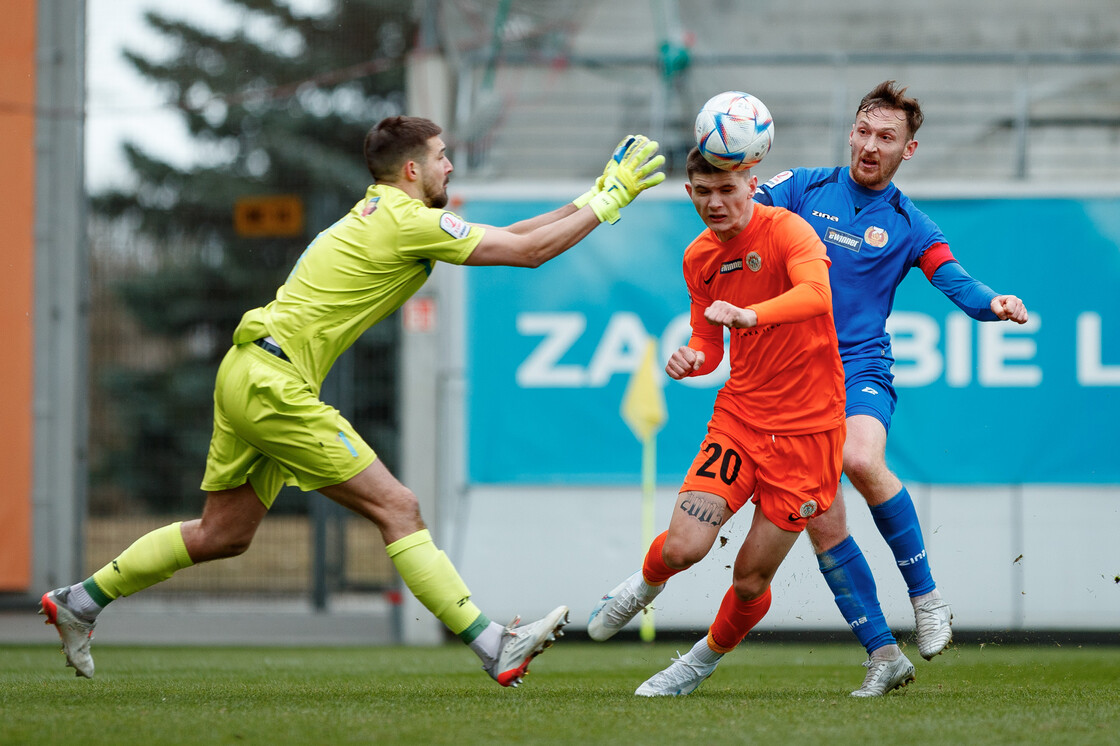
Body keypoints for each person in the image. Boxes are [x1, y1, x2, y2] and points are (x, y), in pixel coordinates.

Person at [40, 116, 665, 685]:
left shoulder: (387, 214)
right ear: (413, 169)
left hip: (249, 370)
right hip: (274, 382)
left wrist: (590, 198)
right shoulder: (406, 220)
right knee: (400, 506)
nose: (450, 166)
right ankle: (492, 642)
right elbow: (528, 254)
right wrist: (611, 204)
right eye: (442, 157)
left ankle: (79, 603)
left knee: (222, 534)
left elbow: (508, 236)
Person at [752, 80, 1029, 690]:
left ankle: (926, 598)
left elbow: (954, 280)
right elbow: (747, 210)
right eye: (864, 131)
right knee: (822, 519)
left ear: (909, 150)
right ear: (851, 131)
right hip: (791, 378)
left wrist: (995, 303)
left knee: (858, 456)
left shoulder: (909, 222)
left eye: (887, 137)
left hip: (858, 368)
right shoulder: (802, 187)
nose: (870, 145)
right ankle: (882, 654)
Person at [587, 146, 859, 697]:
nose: (715, 203)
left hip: (809, 434)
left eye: (726, 190)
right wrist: (690, 360)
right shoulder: (698, 258)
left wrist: (749, 315)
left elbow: (816, 294)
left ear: (751, 185)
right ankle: (642, 585)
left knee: (750, 575)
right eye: (703, 192)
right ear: (689, 193)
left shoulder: (789, 232)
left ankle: (697, 662)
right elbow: (709, 344)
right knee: (685, 547)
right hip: (741, 419)